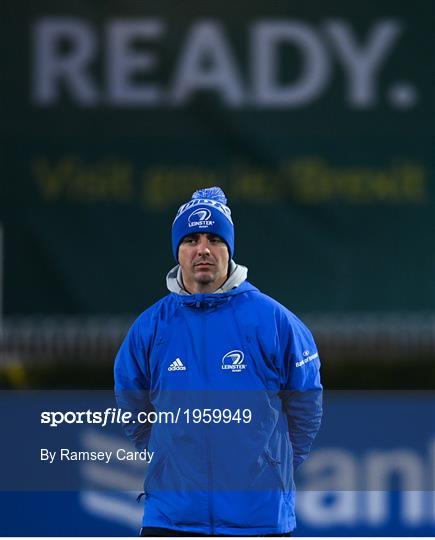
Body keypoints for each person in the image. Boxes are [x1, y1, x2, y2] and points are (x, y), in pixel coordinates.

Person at [114, 187, 322, 536]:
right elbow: (130, 397)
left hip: (258, 519)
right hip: (172, 519)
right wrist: (164, 455)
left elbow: (307, 403)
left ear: (229, 249)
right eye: (191, 239)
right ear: (178, 251)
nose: (203, 249)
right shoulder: (150, 327)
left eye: (215, 238)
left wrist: (273, 467)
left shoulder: (274, 320)